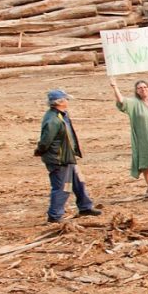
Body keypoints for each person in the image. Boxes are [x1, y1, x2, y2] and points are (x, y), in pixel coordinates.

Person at [34, 89, 102, 223]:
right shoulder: (53, 120)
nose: (67, 101)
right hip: (60, 159)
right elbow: (45, 141)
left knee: (78, 182)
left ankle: (85, 206)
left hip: (67, 155)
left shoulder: (62, 115)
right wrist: (40, 150)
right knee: (62, 187)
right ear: (59, 102)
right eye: (65, 99)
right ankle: (55, 215)